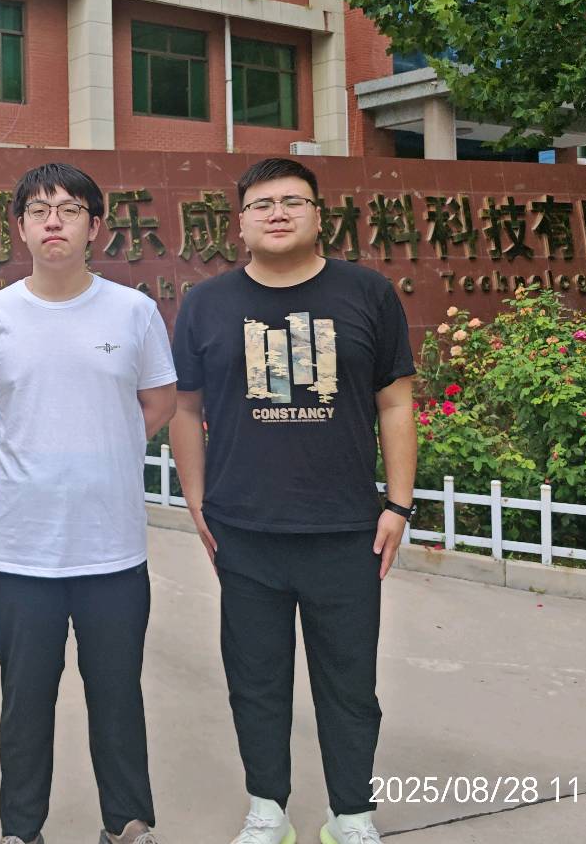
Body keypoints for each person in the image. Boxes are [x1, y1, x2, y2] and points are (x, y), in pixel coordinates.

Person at [168, 157, 418, 844]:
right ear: (240, 222)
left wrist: (398, 506)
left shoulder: (366, 293)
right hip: (245, 531)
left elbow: (396, 402)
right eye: (262, 204)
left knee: (350, 683)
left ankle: (352, 814)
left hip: (346, 530)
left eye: (292, 201)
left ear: (318, 214)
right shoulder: (207, 303)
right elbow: (184, 409)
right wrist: (196, 502)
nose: (277, 214)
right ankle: (267, 809)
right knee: (255, 680)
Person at [0, 162, 177, 844]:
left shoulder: (134, 312)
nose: (53, 221)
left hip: (112, 548)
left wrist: (100, 447)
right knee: (24, 701)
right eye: (38, 210)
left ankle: (128, 822)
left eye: (68, 209)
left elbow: (157, 403)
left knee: (118, 695)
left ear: (96, 227)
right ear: (20, 228)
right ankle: (20, 828)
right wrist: (43, 453)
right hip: (24, 552)